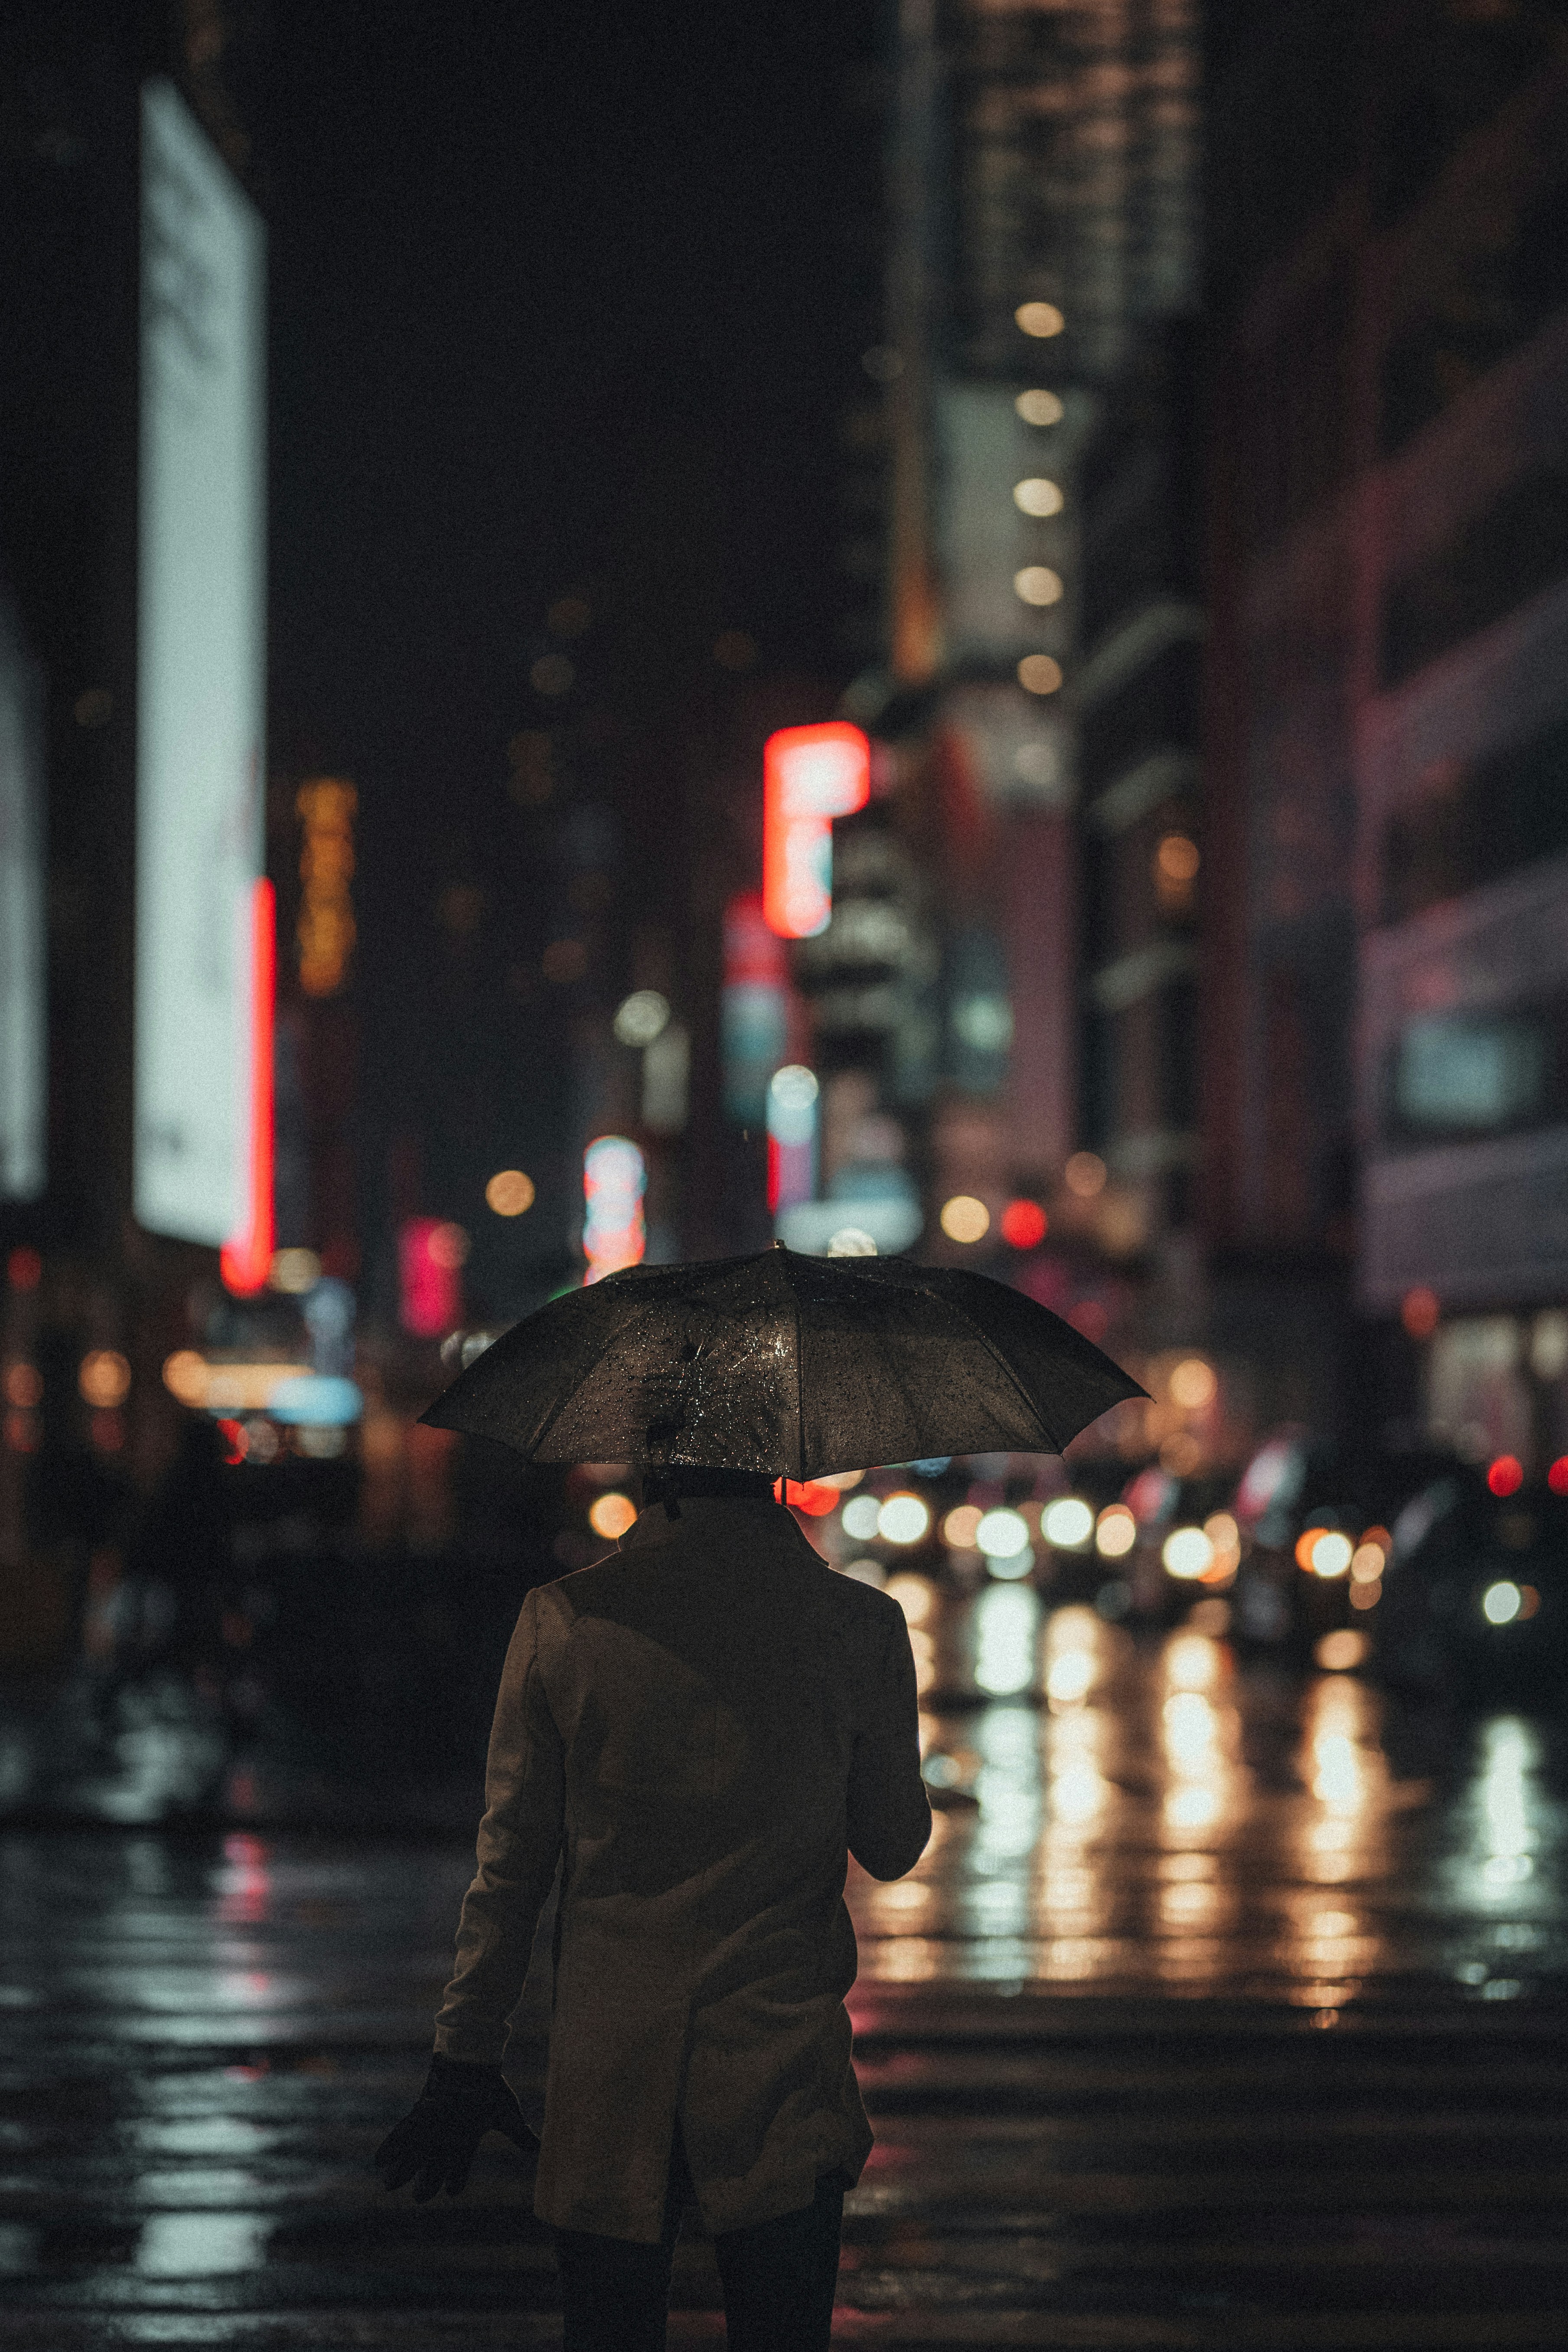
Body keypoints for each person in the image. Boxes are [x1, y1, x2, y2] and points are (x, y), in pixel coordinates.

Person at [376, 1463, 931, 2350]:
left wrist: (466, 2054)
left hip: (610, 2080)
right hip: (782, 2079)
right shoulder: (859, 1624)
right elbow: (895, 1843)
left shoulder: (567, 1619)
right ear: (777, 1469)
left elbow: (512, 1867)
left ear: (652, 1465)